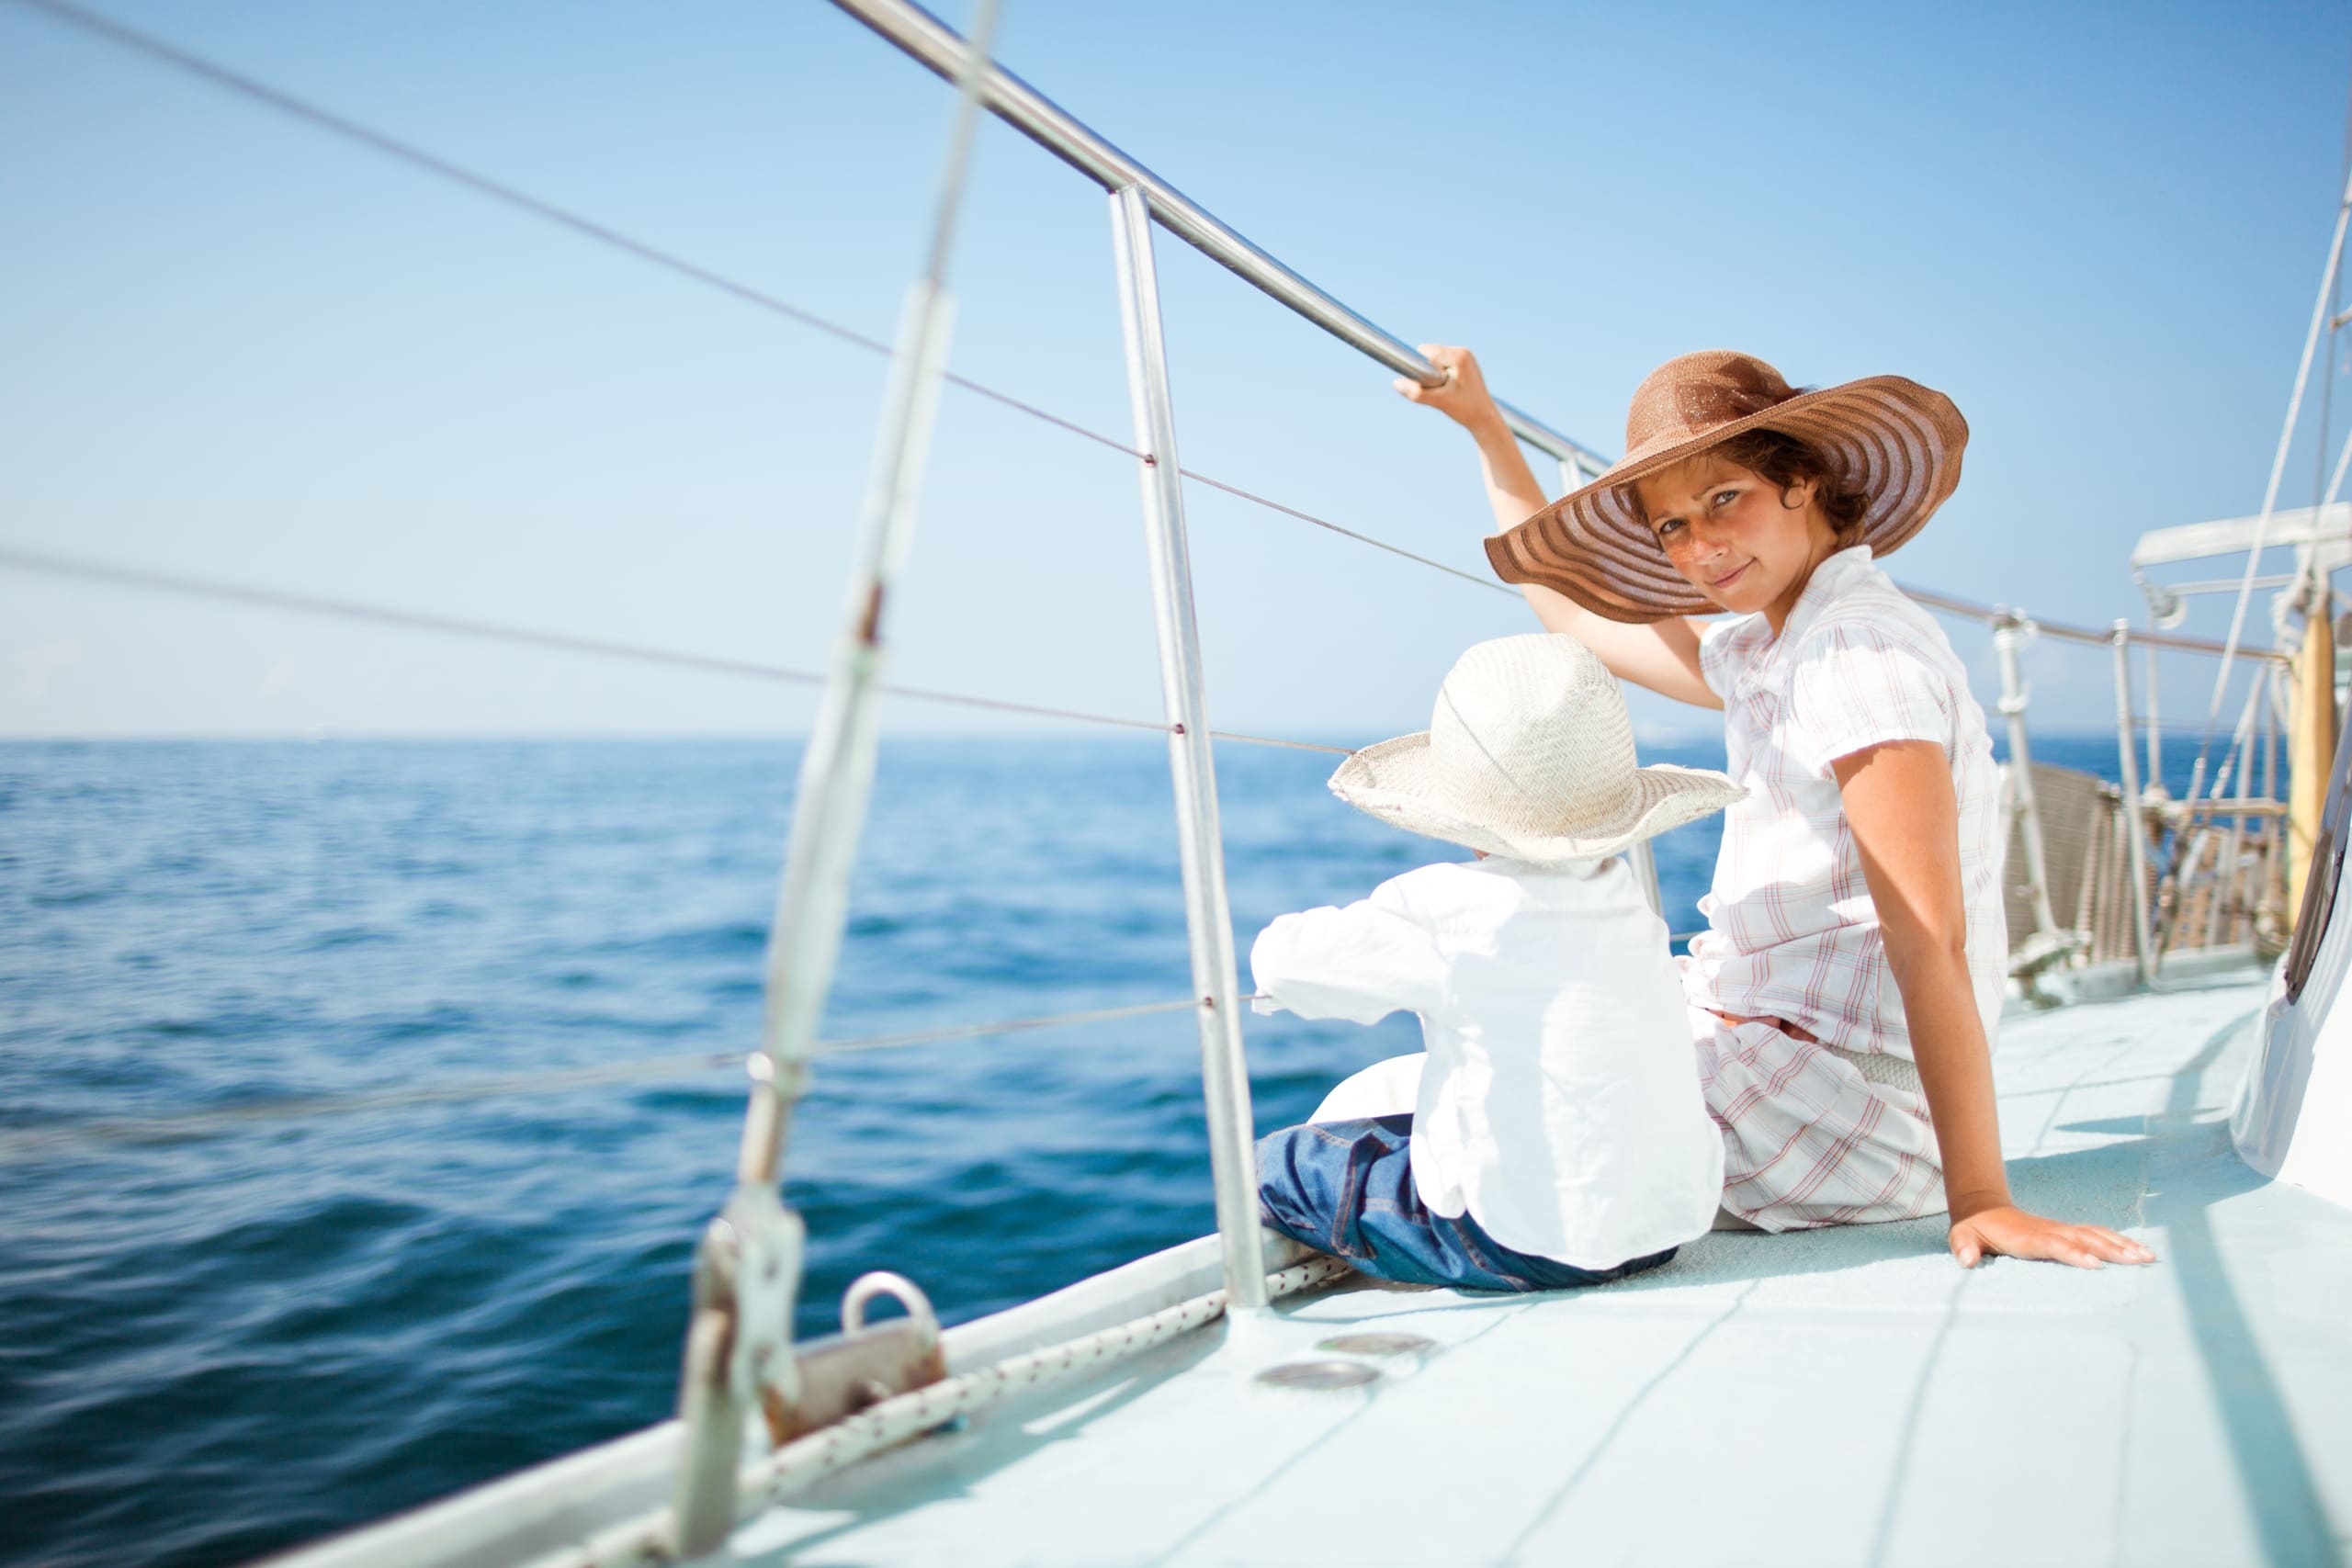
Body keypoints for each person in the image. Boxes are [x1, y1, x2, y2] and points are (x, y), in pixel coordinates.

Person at [1393, 346, 2155, 1270]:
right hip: (1774, 1061)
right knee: (1454, 1072)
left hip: (1841, 1114)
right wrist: (1485, 428)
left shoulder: (1854, 658)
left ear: (1800, 480)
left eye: (1724, 499)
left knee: (1435, 1122)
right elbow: (1576, 617)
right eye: (1670, 524)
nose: (1700, 545)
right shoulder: (1774, 648)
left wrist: (1981, 1199)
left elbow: (1929, 937)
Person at [1250, 632, 1741, 1291]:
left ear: (1458, 810)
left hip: (1515, 1244)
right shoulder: (1625, 899)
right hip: (1663, 1229)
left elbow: (1286, 964)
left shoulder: (1445, 905)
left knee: (1272, 1162)